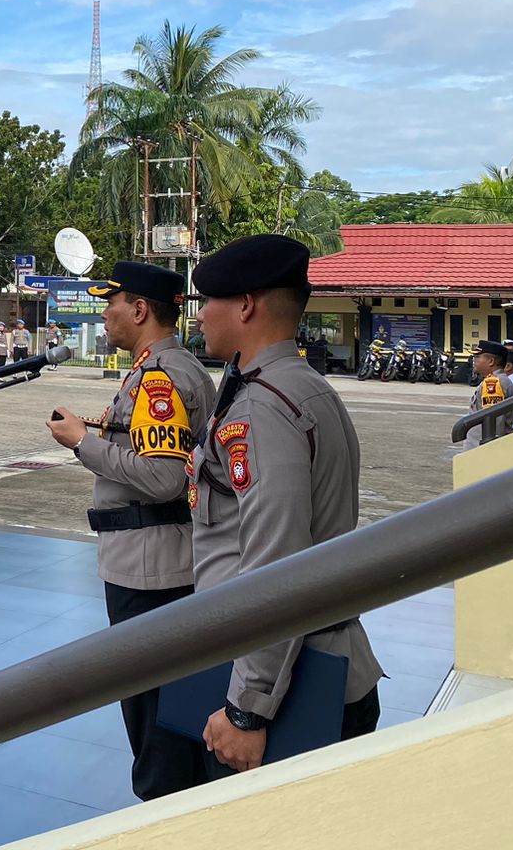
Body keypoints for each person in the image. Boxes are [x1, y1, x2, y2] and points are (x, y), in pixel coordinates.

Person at [189, 233, 383, 775]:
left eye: (209, 301)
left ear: (246, 305)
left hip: (287, 688)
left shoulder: (262, 409)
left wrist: (247, 711)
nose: (201, 315)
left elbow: (277, 563)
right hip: (312, 666)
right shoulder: (303, 386)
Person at [47, 262, 214, 800]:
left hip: (149, 569)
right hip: (160, 558)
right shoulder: (166, 367)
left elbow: (164, 477)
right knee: (171, 707)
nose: (105, 313)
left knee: (153, 715)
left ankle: (160, 813)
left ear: (139, 309)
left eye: (111, 303)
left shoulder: (159, 377)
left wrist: (82, 442)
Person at [463, 339, 513, 448]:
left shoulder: (493, 383)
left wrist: (489, 451)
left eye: (478, 357)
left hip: (482, 450)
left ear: (491, 361)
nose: (474, 360)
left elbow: (494, 423)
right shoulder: (493, 380)